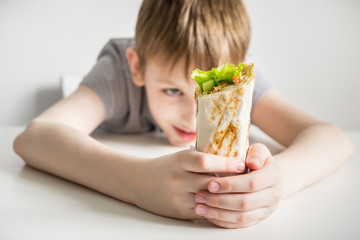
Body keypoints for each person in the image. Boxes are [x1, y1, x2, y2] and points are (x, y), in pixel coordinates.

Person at [13, 0, 354, 229]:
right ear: (138, 66)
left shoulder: (238, 74)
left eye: (213, 96)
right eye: (173, 91)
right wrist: (138, 182)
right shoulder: (116, 72)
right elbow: (34, 138)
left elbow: (332, 139)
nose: (194, 118)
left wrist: (276, 182)